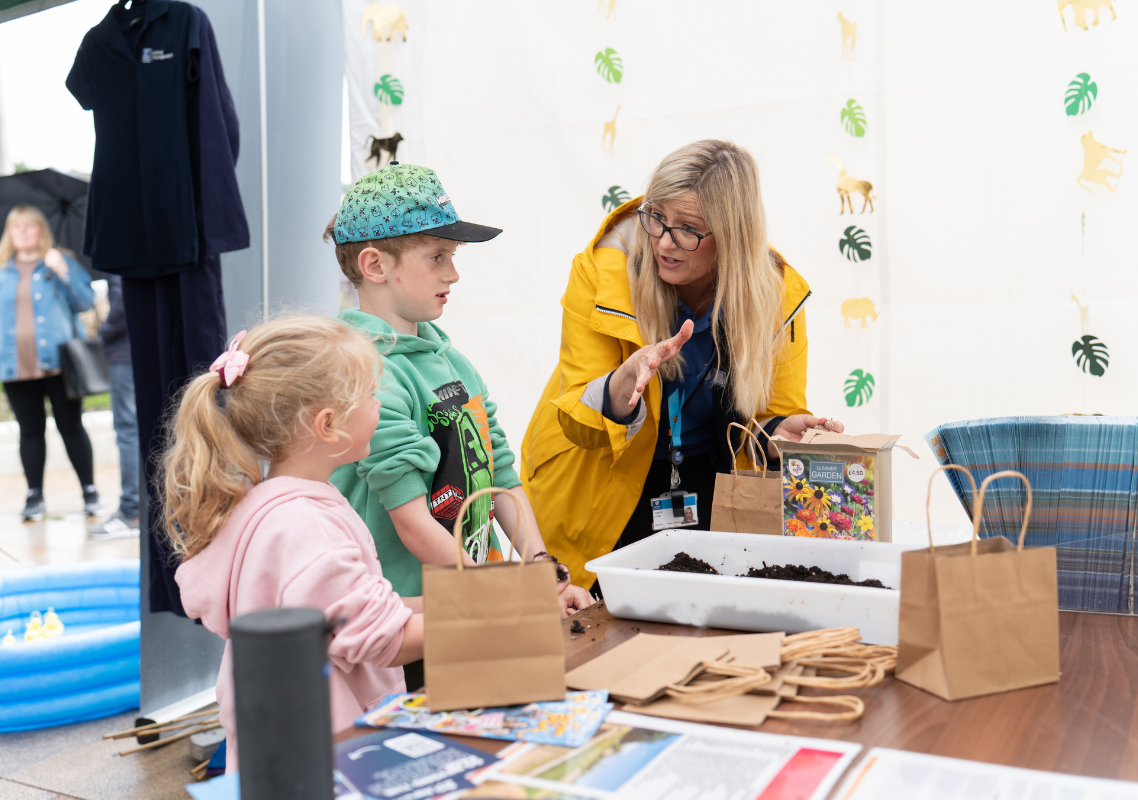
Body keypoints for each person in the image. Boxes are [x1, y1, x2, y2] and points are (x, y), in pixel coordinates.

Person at [521, 140, 845, 590]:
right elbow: (578, 420)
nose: (664, 243)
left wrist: (775, 434)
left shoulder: (778, 296)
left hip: (707, 483)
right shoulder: (600, 274)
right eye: (656, 218)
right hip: (601, 482)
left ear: (732, 236)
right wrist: (621, 386)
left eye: (687, 229)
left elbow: (770, 414)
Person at [324, 163, 595, 626]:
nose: (453, 274)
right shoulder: (363, 372)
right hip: (404, 622)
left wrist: (543, 572)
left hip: (470, 601)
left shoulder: (452, 361)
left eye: (454, 256)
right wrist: (510, 593)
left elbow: (502, 474)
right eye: (436, 257)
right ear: (375, 265)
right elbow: (411, 524)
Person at [166, 316, 422, 773]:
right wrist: (497, 617)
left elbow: (357, 608)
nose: (378, 404)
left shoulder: (270, 506)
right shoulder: (305, 527)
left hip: (282, 753)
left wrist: (475, 596)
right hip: (330, 762)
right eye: (369, 394)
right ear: (328, 425)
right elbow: (385, 638)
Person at [0, 205, 100, 521]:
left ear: (41, 230)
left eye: (29, 226)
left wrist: (62, 270)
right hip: (14, 366)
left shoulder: (60, 262)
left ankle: (89, 490)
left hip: (58, 364)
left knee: (70, 426)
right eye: (16, 226)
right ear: (9, 232)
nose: (22, 231)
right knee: (29, 430)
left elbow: (86, 302)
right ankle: (34, 495)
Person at [89, 275, 139, 538]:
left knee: (128, 432)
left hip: (124, 355)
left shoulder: (119, 244)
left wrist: (103, 332)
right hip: (139, 351)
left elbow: (122, 303)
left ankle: (132, 510)